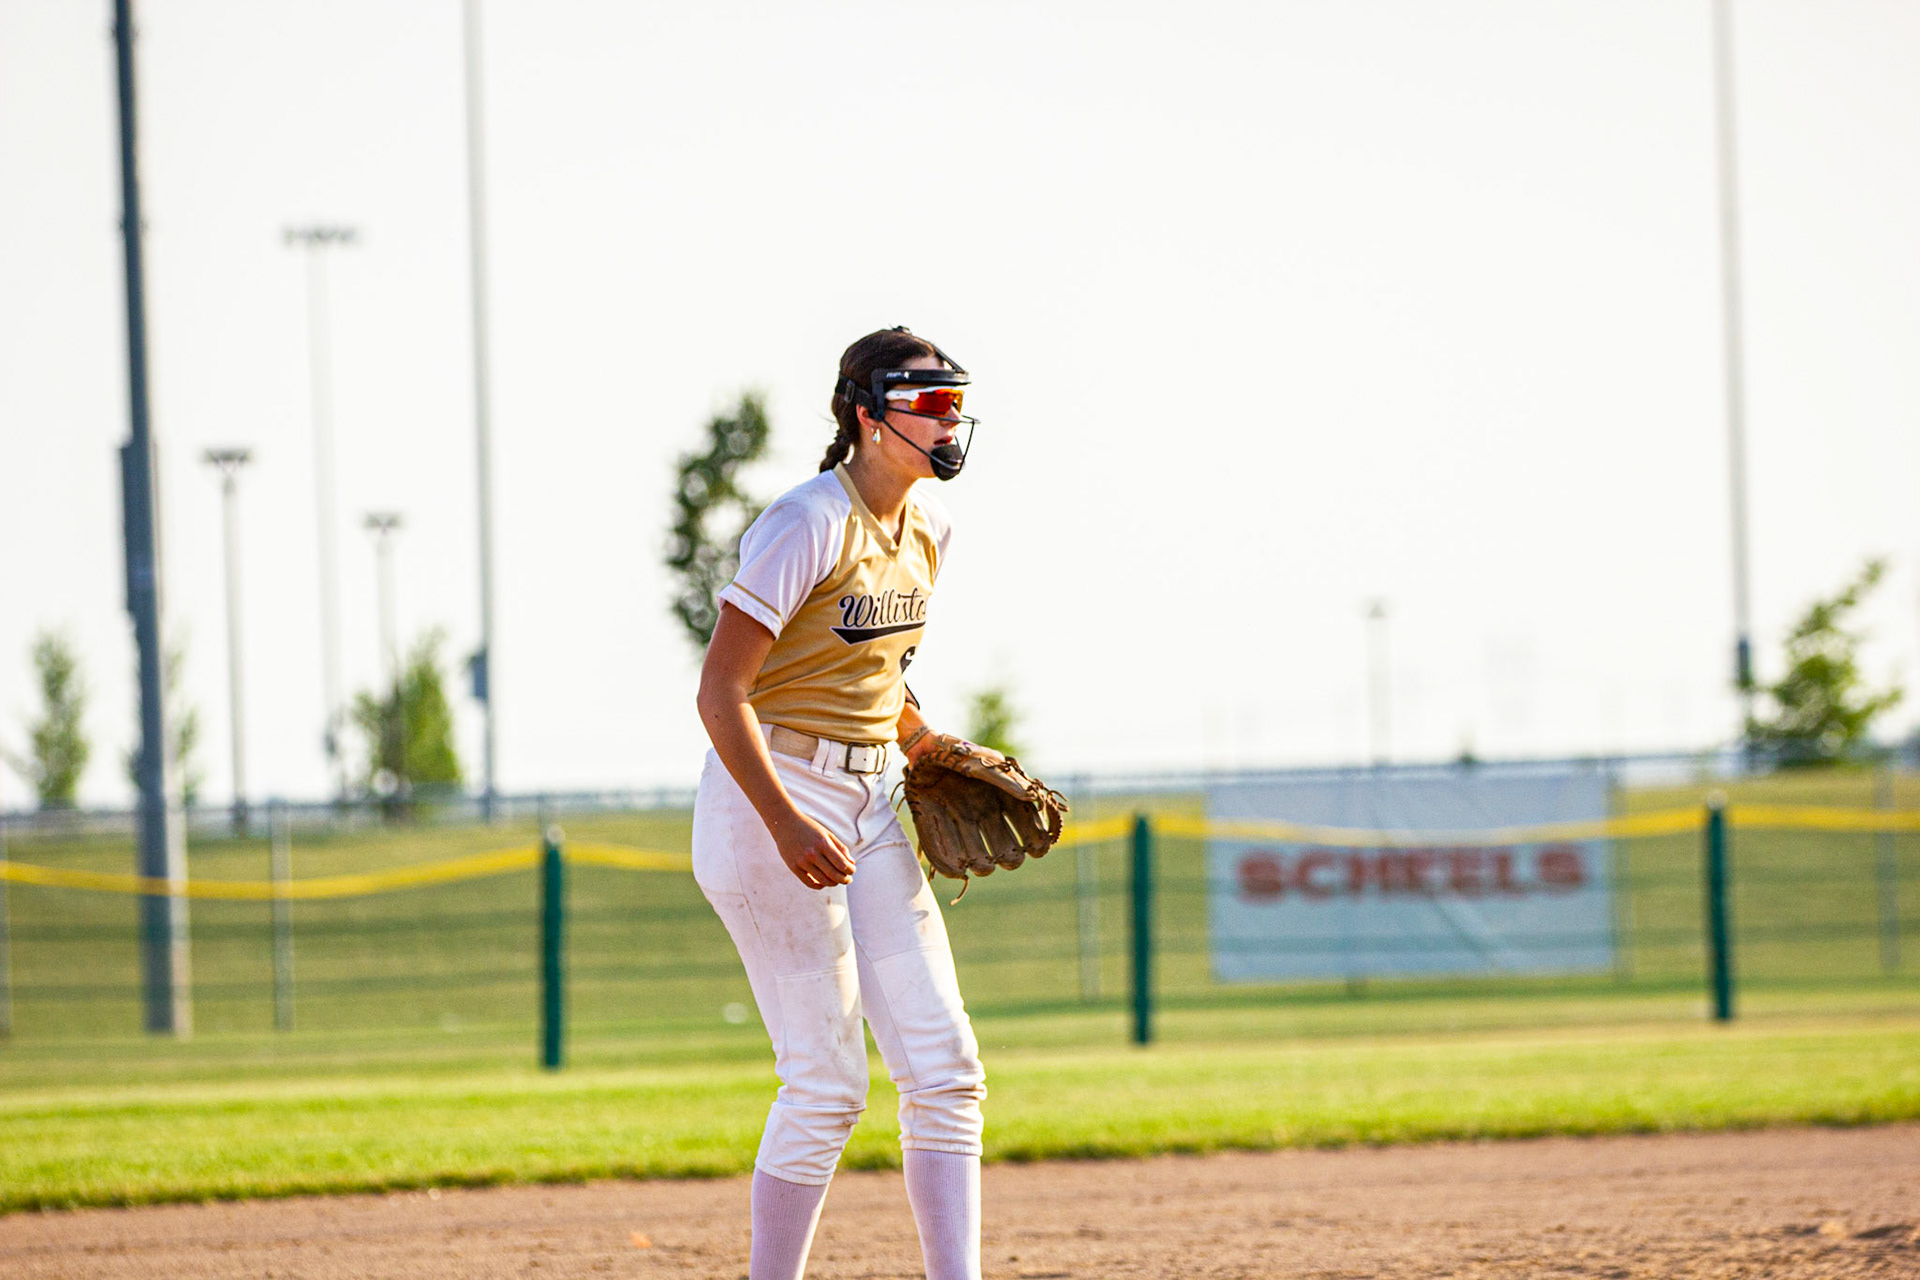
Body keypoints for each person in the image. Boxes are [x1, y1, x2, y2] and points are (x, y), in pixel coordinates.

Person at [692, 326, 989, 1280]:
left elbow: (871, 676)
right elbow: (721, 692)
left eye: (954, 402)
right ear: (867, 414)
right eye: (927, 402)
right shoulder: (808, 521)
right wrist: (784, 821)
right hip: (768, 797)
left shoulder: (931, 530)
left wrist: (924, 743)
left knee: (945, 1068)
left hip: (872, 797)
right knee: (825, 1085)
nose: (948, 419)